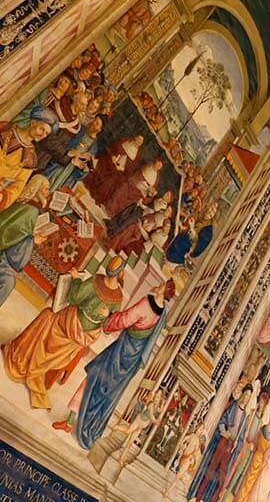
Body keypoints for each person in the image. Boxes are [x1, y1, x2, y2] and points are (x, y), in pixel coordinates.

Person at [56, 280, 176, 447]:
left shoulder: (146, 304)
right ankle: (87, 428)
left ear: (163, 291)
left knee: (93, 380)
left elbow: (123, 320)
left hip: (120, 354)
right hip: (131, 360)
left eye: (162, 285)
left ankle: (72, 423)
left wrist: (107, 318)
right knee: (107, 394)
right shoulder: (162, 313)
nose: (159, 285)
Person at [2, 256, 124, 409]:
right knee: (50, 318)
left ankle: (25, 357)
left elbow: (73, 298)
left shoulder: (96, 281)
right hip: (85, 337)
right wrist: (105, 315)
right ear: (121, 273)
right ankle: (38, 362)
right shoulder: (118, 298)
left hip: (69, 325)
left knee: (47, 317)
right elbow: (109, 325)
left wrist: (75, 279)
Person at [189, 385, 253, 502]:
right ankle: (197, 498)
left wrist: (237, 444)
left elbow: (241, 436)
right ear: (243, 394)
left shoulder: (245, 416)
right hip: (223, 442)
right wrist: (225, 433)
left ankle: (210, 499)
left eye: (249, 396)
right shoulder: (234, 406)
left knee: (221, 478)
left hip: (230, 448)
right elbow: (222, 421)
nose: (247, 398)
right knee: (210, 470)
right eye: (246, 394)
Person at [0, 175, 52, 308]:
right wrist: (33, 240)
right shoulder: (32, 211)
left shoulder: (23, 202)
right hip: (2, 253)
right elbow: (12, 245)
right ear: (37, 190)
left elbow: (13, 232)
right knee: (8, 281)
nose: (48, 193)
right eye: (46, 189)